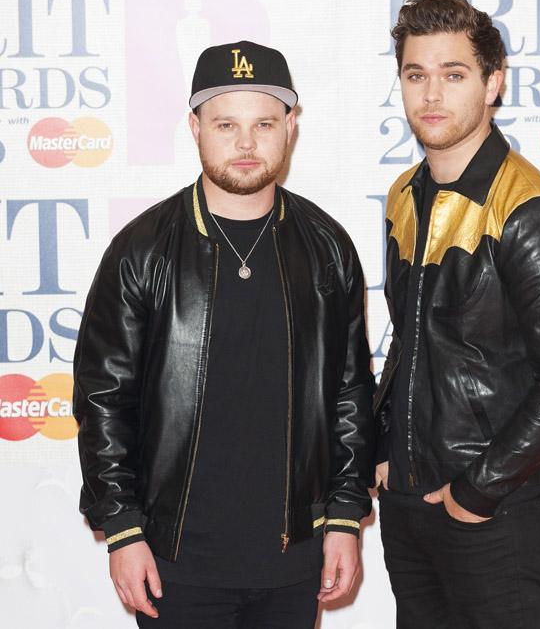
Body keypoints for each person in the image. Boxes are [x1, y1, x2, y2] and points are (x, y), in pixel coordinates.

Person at [73, 40, 374, 629]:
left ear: (290, 126)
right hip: (173, 559)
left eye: (264, 123)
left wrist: (344, 518)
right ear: (195, 128)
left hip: (294, 556)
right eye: (225, 124)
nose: (245, 143)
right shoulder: (141, 249)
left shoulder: (327, 248)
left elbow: (350, 392)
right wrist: (123, 529)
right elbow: (104, 398)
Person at [374, 0, 540, 629]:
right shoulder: (403, 194)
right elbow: (410, 339)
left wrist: (478, 489)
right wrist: (383, 448)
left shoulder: (530, 209)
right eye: (416, 74)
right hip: (408, 503)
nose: (431, 95)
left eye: (453, 74)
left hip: (494, 511)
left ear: (492, 83)